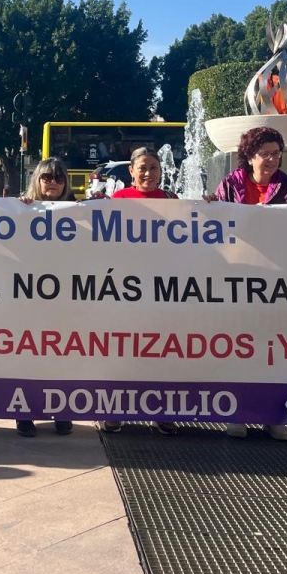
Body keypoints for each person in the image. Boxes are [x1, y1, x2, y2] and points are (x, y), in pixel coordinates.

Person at [210, 127, 287, 441]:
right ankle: (238, 413)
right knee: (237, 349)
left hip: (276, 283)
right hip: (236, 281)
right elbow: (216, 228)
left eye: (276, 153)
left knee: (273, 350)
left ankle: (272, 415)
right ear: (250, 155)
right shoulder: (229, 184)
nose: (271, 159)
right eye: (265, 153)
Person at [99, 146, 179, 435]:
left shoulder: (172, 200)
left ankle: (162, 412)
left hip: (161, 291)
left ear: (161, 171)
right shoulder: (117, 199)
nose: (148, 173)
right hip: (124, 289)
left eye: (154, 167)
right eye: (142, 167)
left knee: (161, 352)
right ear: (131, 171)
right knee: (121, 352)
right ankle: (115, 410)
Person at [15, 158, 76, 437]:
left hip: (66, 300)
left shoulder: (80, 211)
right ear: (37, 180)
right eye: (47, 177)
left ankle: (62, 411)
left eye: (60, 178)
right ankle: (25, 413)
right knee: (29, 357)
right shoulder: (20, 210)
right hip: (29, 299)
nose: (53, 182)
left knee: (63, 356)